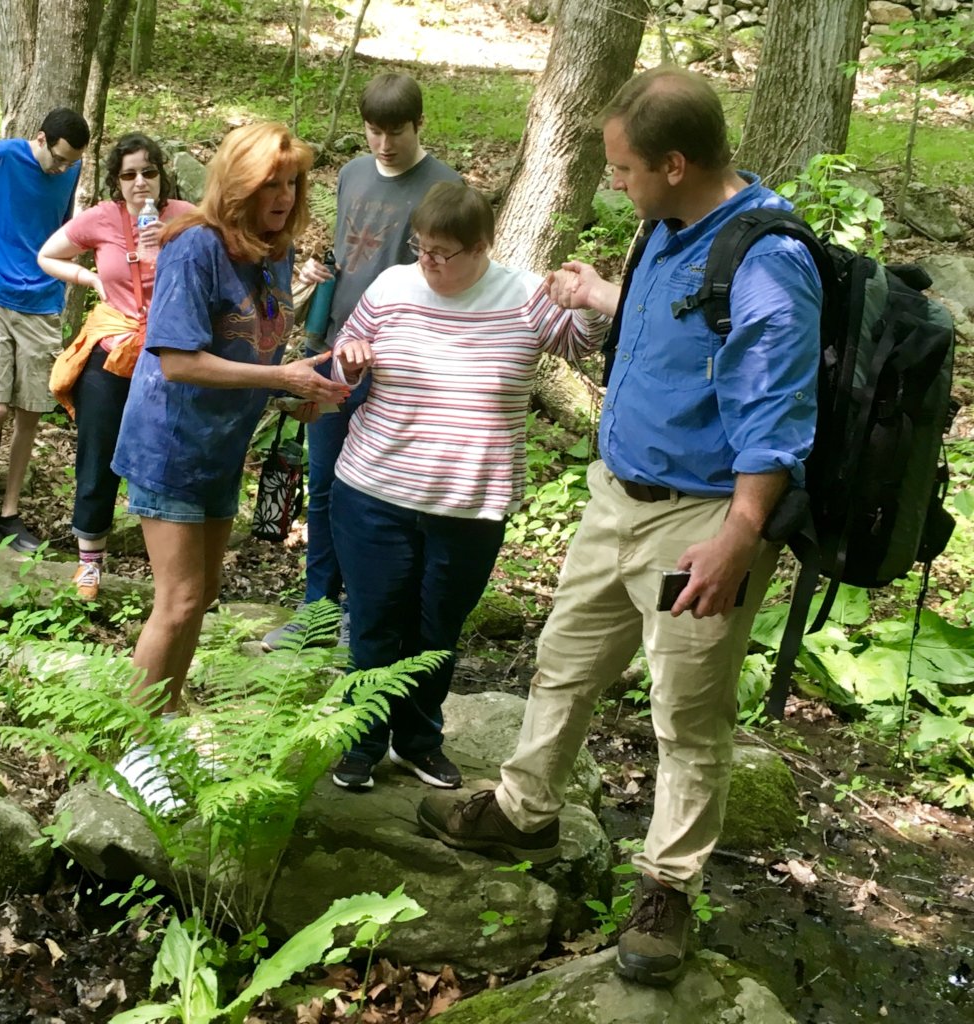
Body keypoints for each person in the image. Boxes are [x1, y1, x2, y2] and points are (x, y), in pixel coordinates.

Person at [416, 68, 822, 987]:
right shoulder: (666, 229)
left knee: (688, 715)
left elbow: (776, 412)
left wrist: (740, 534)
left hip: (704, 517)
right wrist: (603, 294)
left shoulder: (766, 261)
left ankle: (666, 890)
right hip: (615, 498)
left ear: (676, 163)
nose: (617, 185)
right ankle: (524, 811)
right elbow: (675, 331)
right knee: (565, 663)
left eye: (627, 169)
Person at [325, 181, 609, 792]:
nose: (426, 261)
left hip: (471, 504)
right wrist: (349, 356)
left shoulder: (523, 294)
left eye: (442, 252)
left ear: (482, 248)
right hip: (375, 489)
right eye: (421, 247)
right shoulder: (392, 287)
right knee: (376, 624)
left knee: (437, 632)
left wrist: (585, 297)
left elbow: (581, 341)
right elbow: (349, 345)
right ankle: (362, 741)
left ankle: (419, 740)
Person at [108, 121, 350, 809]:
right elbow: (178, 358)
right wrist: (279, 382)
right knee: (178, 600)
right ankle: (134, 746)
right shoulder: (197, 250)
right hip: (171, 445)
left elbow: (257, 354)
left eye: (293, 181)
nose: (282, 194)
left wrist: (299, 386)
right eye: (269, 181)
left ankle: (169, 714)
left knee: (201, 597)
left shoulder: (273, 255)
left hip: (221, 448)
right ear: (237, 185)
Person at [262, 72, 461, 652]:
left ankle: (369, 614)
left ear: (418, 125)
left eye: (395, 132)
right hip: (331, 352)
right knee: (324, 484)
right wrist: (316, 277)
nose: (383, 144)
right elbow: (345, 254)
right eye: (373, 131)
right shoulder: (351, 173)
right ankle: (317, 610)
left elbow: (446, 278)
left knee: (379, 496)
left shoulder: (441, 187)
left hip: (398, 364)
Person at [37, 134, 196, 600]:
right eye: (129, 174)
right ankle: (89, 563)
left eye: (148, 171)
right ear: (115, 182)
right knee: (98, 452)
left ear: (162, 174)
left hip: (170, 354)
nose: (140, 182)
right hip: (113, 351)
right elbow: (47, 255)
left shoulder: (186, 218)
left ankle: (176, 573)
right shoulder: (101, 220)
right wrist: (88, 277)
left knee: (169, 459)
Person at [0, 108, 89, 552]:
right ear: (41, 138)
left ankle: (9, 515)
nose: (63, 168)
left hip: (44, 304)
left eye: (71, 162)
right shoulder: (2, 157)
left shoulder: (72, 167)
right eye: (59, 159)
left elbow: (64, 226)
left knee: (29, 413)